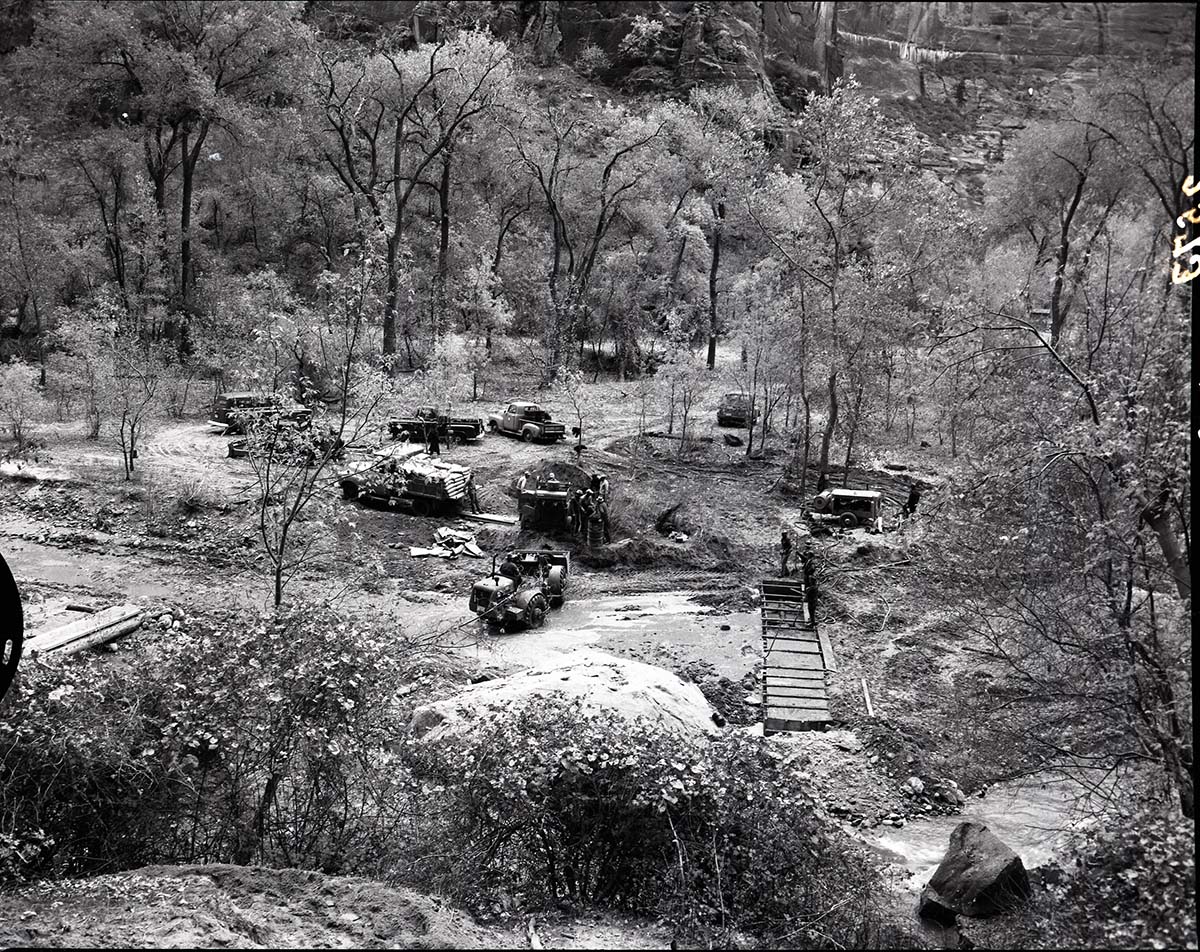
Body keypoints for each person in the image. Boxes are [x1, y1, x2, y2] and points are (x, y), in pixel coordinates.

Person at [801, 547, 817, 624]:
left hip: (812, 602)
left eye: (808, 555)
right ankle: (812, 621)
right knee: (811, 611)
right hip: (813, 601)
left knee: (811, 611)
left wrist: (805, 598)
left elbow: (813, 569)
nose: (807, 556)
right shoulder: (808, 560)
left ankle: (812, 622)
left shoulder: (812, 562)